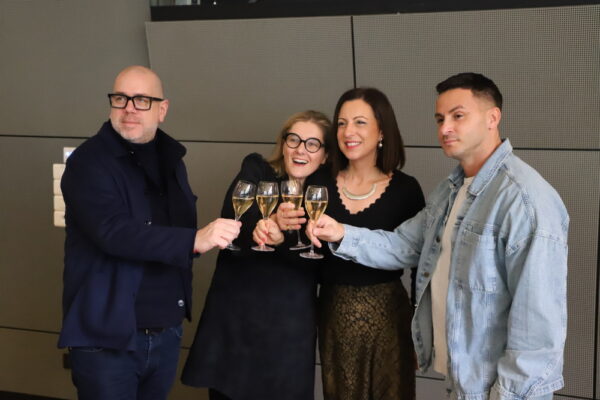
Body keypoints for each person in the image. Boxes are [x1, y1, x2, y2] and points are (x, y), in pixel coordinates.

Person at [310, 73, 569, 399]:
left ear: (492, 118)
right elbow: (404, 245)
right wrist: (340, 232)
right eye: (440, 119)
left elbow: (537, 331)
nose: (445, 128)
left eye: (458, 116)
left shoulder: (525, 201)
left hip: (499, 391)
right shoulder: (450, 191)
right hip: (463, 379)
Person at [58, 65, 241, 400]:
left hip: (166, 331)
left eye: (142, 100)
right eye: (121, 98)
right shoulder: (87, 162)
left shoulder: (172, 160)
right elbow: (112, 232)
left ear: (162, 109)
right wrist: (194, 240)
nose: (129, 108)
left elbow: (173, 230)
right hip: (106, 339)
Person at [279, 88, 424, 399]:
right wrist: (281, 228)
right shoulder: (319, 182)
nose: (348, 132)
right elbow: (301, 251)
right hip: (334, 314)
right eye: (342, 123)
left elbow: (419, 265)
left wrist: (417, 331)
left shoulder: (406, 189)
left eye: (360, 122)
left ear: (381, 131)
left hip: (390, 317)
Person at [181, 110, 331, 400]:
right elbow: (232, 216)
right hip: (237, 322)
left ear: (325, 156)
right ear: (283, 144)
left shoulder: (327, 194)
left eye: (312, 144)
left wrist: (282, 238)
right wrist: (267, 224)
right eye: (294, 140)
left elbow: (325, 256)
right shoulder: (258, 169)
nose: (301, 149)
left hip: (289, 329)